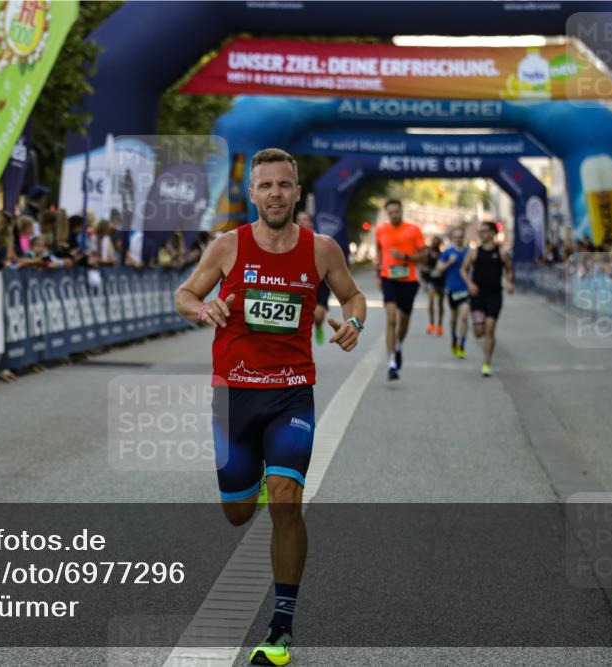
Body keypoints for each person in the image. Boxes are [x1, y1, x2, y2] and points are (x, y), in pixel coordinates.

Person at [175, 148, 367, 667]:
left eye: (284, 185)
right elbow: (184, 295)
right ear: (252, 194)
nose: (276, 194)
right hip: (234, 395)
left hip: (290, 393)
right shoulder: (227, 246)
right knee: (238, 512)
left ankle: (280, 629)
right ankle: (257, 479)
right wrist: (204, 307)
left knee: (286, 501)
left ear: (297, 192)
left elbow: (353, 297)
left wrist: (355, 322)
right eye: (266, 186)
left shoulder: (321, 249)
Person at [375, 199, 427, 381]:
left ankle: (398, 345)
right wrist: (378, 269)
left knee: (403, 322)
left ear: (401, 211)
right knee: (391, 319)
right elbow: (379, 252)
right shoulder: (381, 230)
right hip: (388, 278)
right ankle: (391, 362)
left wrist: (405, 256)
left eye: (396, 211)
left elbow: (423, 255)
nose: (394, 215)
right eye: (390, 212)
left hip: (408, 281)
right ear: (387, 213)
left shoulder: (413, 230)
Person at [460, 221, 514, 377]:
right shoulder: (474, 253)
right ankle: (481, 337)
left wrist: (509, 282)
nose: (481, 234)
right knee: (479, 332)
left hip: (494, 296)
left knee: (490, 328)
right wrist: (470, 284)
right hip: (477, 297)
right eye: (480, 231)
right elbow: (463, 269)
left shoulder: (501, 252)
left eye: (484, 231)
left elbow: (509, 269)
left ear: (492, 233)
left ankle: (487, 363)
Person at [434, 226, 471, 358]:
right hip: (452, 289)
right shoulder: (448, 252)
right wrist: (449, 262)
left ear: (464, 237)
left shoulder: (469, 252)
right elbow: (438, 269)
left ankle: (462, 344)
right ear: (452, 238)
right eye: (456, 237)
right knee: (454, 318)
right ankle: (454, 338)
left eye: (461, 236)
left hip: (466, 289)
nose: (459, 239)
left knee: (464, 316)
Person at [296, 211, 331, 345]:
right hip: (300, 282)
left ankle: (319, 325)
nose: (302, 222)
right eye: (299, 219)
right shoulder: (290, 240)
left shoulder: (320, 240)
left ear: (311, 223)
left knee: (318, 316)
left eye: (305, 219)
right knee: (303, 319)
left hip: (320, 282)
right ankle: (307, 349)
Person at [423, 235, 445, 337]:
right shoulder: (428, 253)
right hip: (431, 281)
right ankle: (431, 323)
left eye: (437, 241)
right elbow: (422, 266)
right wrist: (427, 270)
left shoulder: (442, 254)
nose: (435, 243)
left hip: (440, 282)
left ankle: (439, 325)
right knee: (431, 302)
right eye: (434, 241)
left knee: (440, 304)